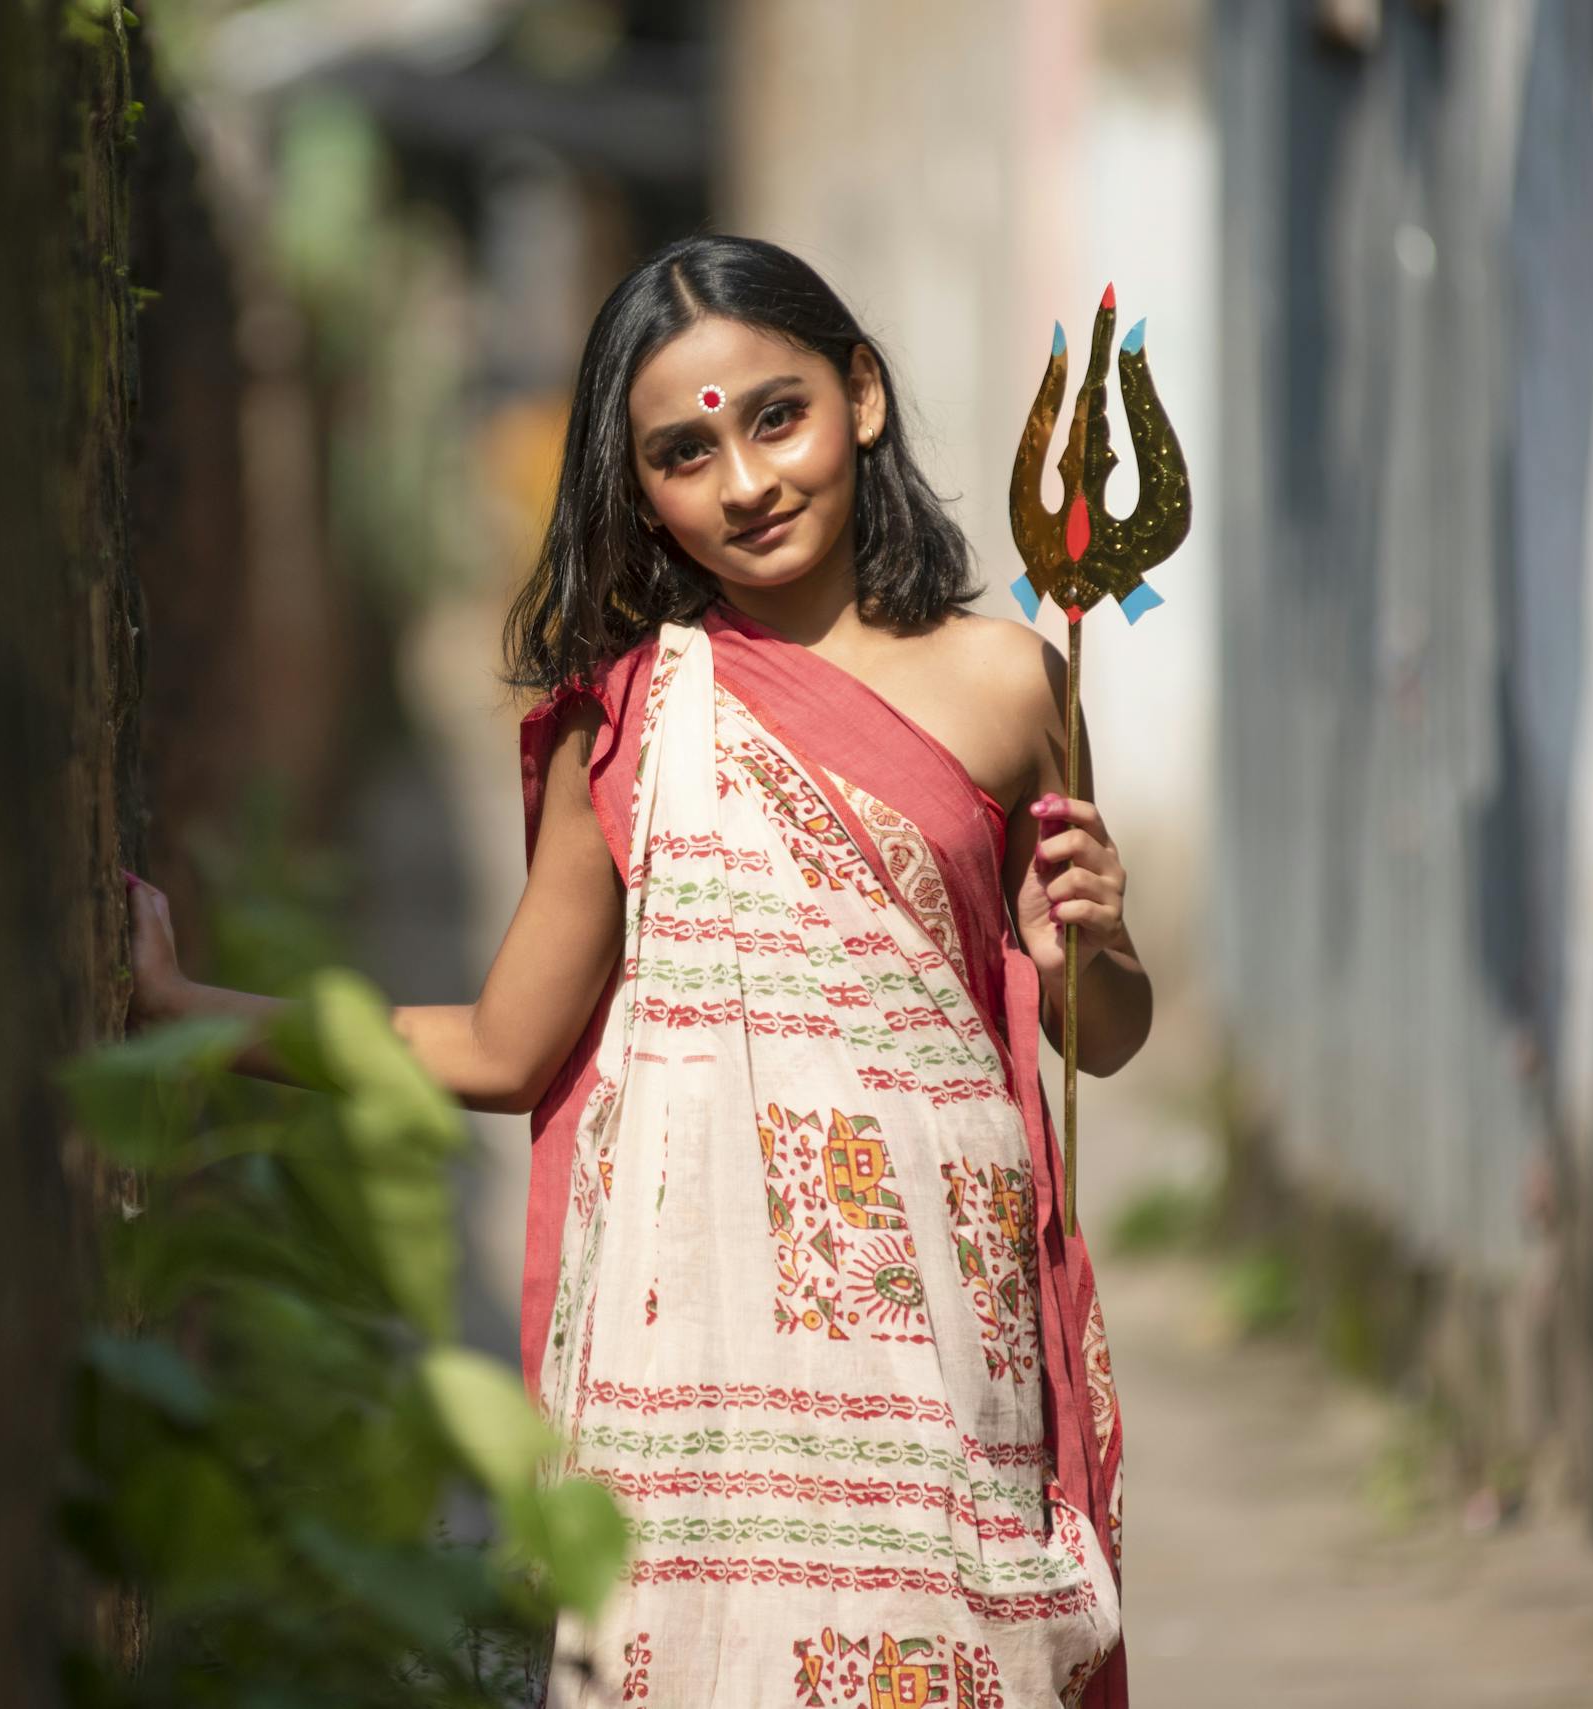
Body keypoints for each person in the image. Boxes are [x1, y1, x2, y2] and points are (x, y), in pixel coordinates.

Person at [126, 233, 1149, 1708]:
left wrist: (1093, 945)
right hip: (704, 1384)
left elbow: (1098, 1036)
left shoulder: (1009, 683)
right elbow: (496, 1045)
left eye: (776, 414)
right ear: (640, 487)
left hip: (941, 1330)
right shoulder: (634, 721)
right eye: (685, 450)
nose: (744, 482)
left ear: (861, 394)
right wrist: (190, 1015)